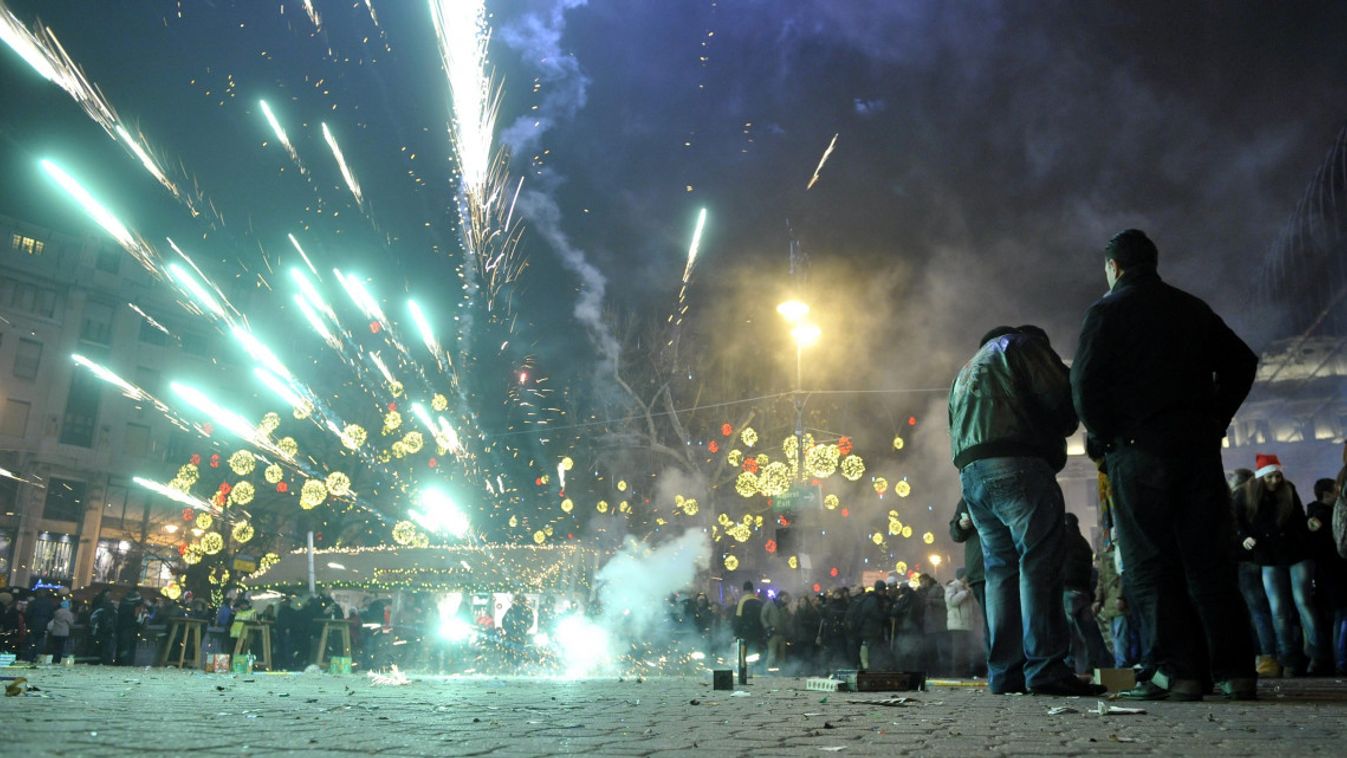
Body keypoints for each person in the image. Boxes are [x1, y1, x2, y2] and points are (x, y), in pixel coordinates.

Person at [1071, 228, 1258, 700]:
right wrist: (1216, 417)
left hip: (1137, 451)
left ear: (1113, 267)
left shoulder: (1106, 311)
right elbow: (1242, 361)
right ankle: (1236, 672)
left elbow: (1085, 384)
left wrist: (1106, 435)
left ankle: (1179, 674)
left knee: (1151, 564)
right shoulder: (1191, 308)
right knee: (1209, 561)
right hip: (1196, 451)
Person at [950, 324, 1101, 696]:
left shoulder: (967, 368)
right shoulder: (1023, 345)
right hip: (1017, 462)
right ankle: (1046, 670)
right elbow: (1062, 403)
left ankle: (1005, 674)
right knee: (1039, 563)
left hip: (972, 472)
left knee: (1000, 571)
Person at [1233, 455, 1329, 675]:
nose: (1276, 480)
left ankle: (1314, 656)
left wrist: (1309, 525)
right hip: (1268, 556)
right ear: (1260, 478)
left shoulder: (1287, 490)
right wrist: (1244, 536)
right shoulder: (1244, 495)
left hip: (1294, 552)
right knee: (1280, 609)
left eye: (1277, 475)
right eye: (1270, 477)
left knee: (1300, 603)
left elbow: (1297, 518)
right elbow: (1235, 519)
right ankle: (1291, 658)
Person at [1307, 476, 1347, 675]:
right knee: (1342, 615)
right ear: (1327, 494)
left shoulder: (1315, 515)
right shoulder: (1326, 515)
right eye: (1336, 490)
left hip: (1326, 573)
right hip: (1335, 572)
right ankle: (1341, 661)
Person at [1062, 512, 1110, 674]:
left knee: (1068, 633)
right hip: (1083, 592)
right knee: (1089, 633)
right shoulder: (1083, 544)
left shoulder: (1062, 541)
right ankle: (1096, 665)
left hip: (1067, 591)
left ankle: (1068, 665)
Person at [1093, 537, 1138, 668]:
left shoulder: (1112, 556)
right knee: (1118, 636)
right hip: (1113, 604)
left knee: (1119, 637)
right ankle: (1121, 665)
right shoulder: (1110, 556)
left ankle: (1122, 666)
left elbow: (1119, 577)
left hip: (1116, 604)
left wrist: (1119, 597)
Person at [949, 499, 987, 643]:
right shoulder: (968, 497)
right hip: (980, 570)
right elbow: (955, 533)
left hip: (1007, 566)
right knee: (992, 622)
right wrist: (960, 525)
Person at [848, 582, 890, 671]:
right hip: (872, 631)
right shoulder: (873, 600)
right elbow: (877, 615)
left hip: (868, 631)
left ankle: (871, 670)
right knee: (873, 653)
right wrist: (887, 614)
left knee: (871, 652)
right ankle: (873, 671)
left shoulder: (869, 598)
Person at [945, 570, 979, 677]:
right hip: (957, 624)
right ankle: (958, 673)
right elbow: (951, 601)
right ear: (962, 576)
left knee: (967, 650)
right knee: (959, 651)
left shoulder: (967, 587)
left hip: (968, 624)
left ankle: (966, 672)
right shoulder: (952, 586)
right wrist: (965, 593)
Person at [733, 582, 766, 674]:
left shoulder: (742, 601)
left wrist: (736, 633)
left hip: (745, 632)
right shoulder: (759, 601)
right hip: (758, 632)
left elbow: (738, 618)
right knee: (757, 652)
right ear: (752, 589)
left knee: (744, 654)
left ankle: (744, 671)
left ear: (744, 590)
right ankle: (758, 671)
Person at [760, 591, 790, 668]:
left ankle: (781, 672)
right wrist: (767, 627)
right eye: (785, 598)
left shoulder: (784, 607)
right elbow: (763, 616)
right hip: (773, 634)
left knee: (782, 655)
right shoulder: (770, 604)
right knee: (772, 654)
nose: (786, 600)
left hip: (782, 634)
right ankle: (768, 671)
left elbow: (787, 619)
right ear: (779, 597)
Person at [48, 599, 75, 664]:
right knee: (61, 647)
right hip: (63, 632)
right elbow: (71, 623)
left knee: (56, 647)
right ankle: (58, 660)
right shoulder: (68, 613)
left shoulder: (57, 612)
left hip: (55, 632)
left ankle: (54, 659)